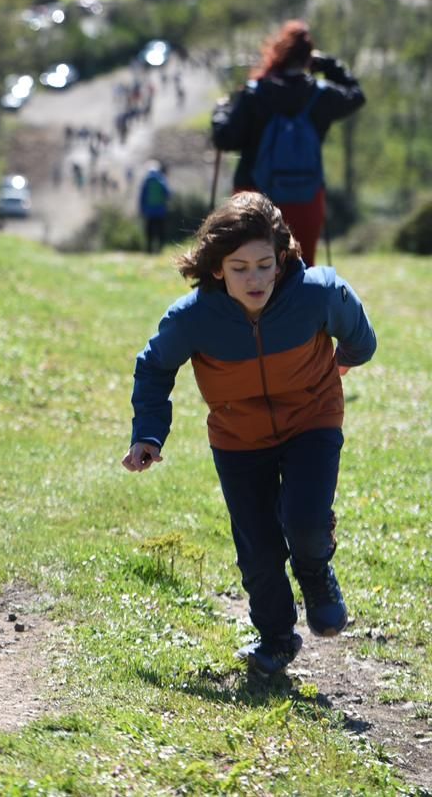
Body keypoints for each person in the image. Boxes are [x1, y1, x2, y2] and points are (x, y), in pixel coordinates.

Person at [126, 193, 376, 677]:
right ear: (217, 269)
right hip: (239, 439)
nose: (255, 278)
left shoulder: (317, 294)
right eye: (239, 268)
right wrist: (149, 435)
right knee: (258, 548)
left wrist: (345, 358)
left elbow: (360, 334)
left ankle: (316, 572)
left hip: (312, 421)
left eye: (265, 265)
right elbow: (154, 368)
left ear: (282, 259)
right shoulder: (193, 318)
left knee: (304, 523)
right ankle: (277, 638)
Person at [211, 20, 365, 265]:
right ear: (307, 59)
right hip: (307, 197)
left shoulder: (255, 93)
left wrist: (220, 112)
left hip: (253, 198)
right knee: (301, 274)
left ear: (277, 52)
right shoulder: (321, 95)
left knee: (251, 272)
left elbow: (225, 138)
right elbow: (356, 95)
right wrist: (327, 64)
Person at [138, 161, 171, 253]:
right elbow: (168, 194)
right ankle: (160, 249)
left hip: (149, 211)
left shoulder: (146, 181)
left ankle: (149, 249)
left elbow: (142, 197)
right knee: (160, 231)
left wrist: (141, 209)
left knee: (149, 231)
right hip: (161, 211)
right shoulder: (161, 179)